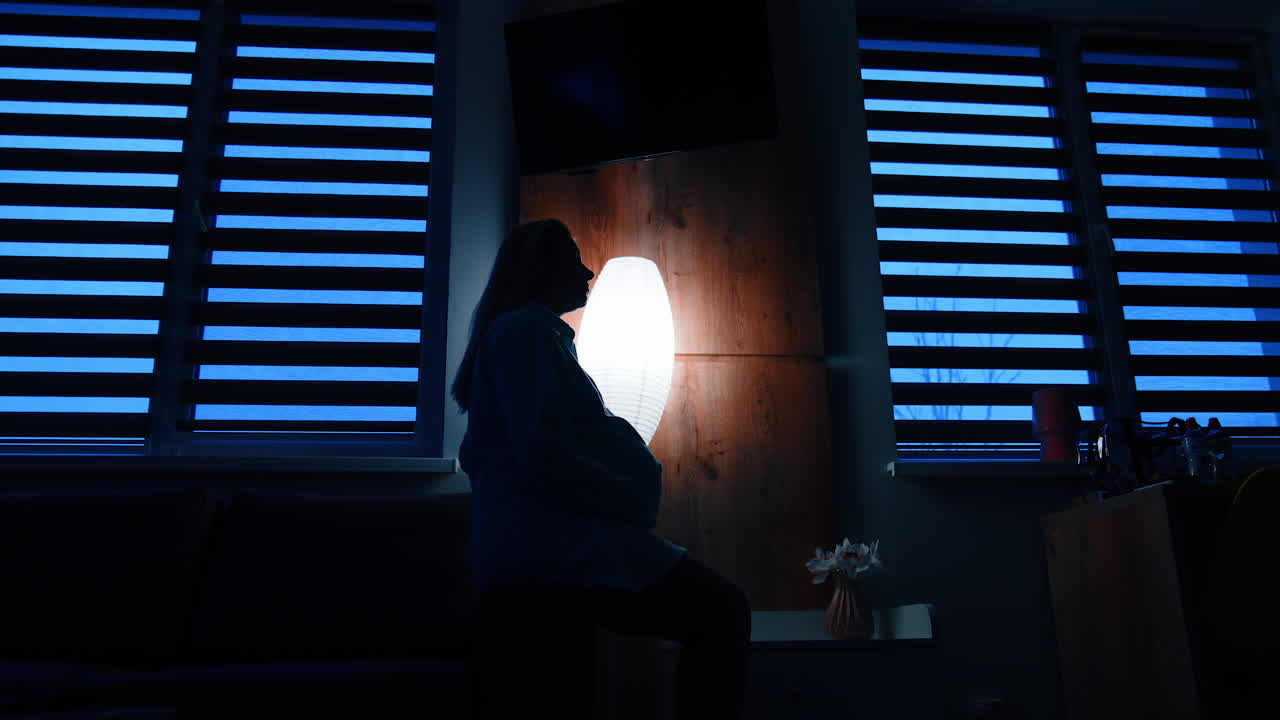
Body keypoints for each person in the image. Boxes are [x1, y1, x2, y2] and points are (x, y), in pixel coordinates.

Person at [453, 218, 751, 719]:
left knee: (716, 608)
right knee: (723, 609)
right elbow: (544, 450)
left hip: (550, 541)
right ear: (540, 269)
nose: (588, 271)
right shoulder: (525, 333)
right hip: (555, 547)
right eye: (573, 260)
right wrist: (624, 496)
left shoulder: (531, 336)